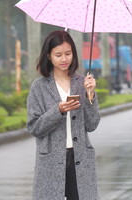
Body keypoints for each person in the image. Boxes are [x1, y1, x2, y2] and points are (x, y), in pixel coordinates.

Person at [27, 30, 101, 200]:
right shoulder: (39, 87)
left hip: (80, 159)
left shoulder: (82, 83)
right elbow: (34, 127)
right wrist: (58, 110)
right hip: (51, 161)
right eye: (58, 54)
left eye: (68, 53)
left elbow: (92, 125)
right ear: (48, 56)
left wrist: (90, 95)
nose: (64, 59)